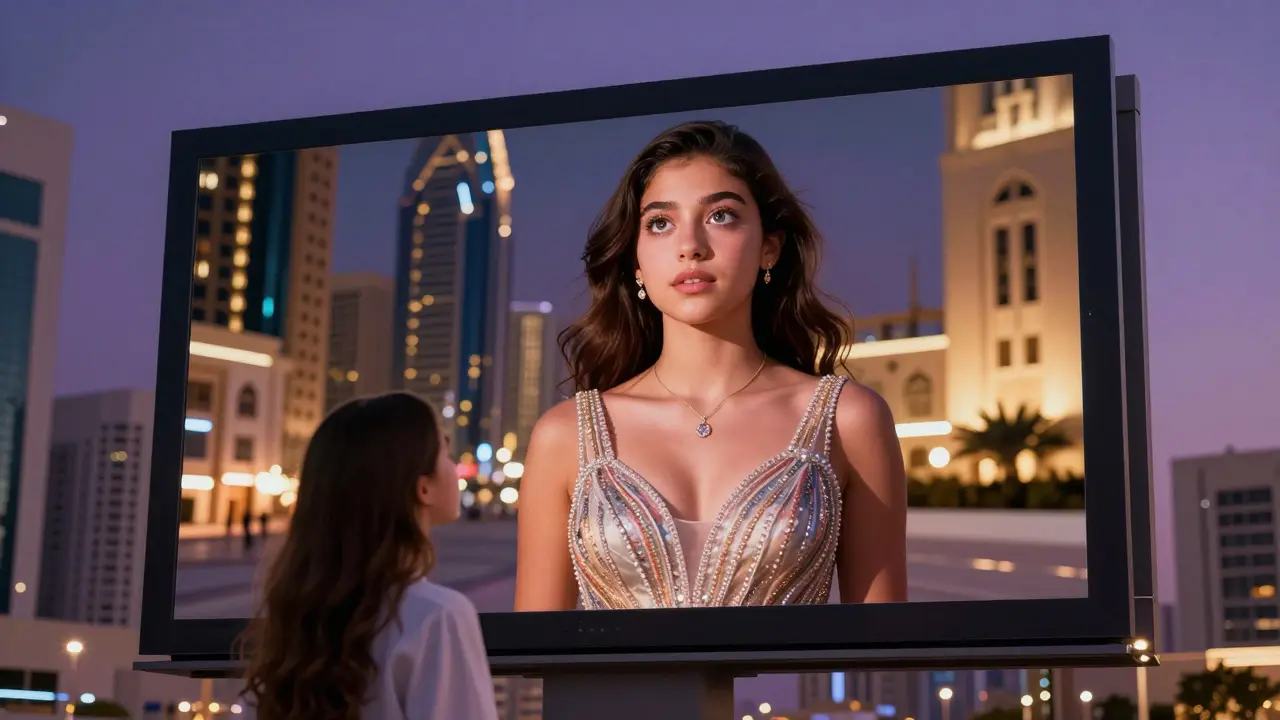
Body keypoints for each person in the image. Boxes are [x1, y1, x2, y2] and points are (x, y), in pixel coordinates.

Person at [514, 120, 908, 611]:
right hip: (613, 694)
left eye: (721, 215)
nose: (691, 245)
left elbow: (885, 648)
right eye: (660, 223)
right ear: (635, 262)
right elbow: (541, 658)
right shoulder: (566, 434)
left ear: (770, 246)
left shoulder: (848, 420)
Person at [240, 393, 498, 720]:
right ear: (423, 488)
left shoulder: (292, 621)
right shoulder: (437, 616)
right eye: (445, 449)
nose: (454, 466)